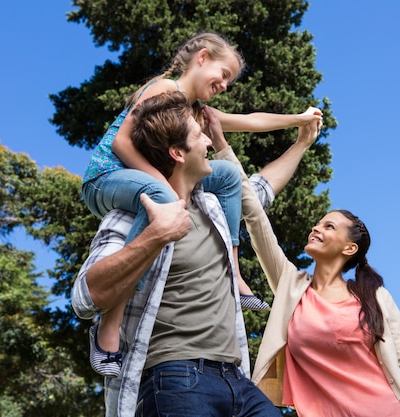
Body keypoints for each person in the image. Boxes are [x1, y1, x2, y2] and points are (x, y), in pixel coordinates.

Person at [81, 30, 323, 377]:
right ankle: (109, 324)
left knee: (224, 174)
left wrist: (299, 120)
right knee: (165, 199)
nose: (225, 84)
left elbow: (251, 121)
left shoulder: (196, 111)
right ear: (203, 57)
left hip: (147, 180)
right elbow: (121, 142)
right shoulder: (164, 90)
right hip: (107, 176)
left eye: (230, 81)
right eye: (224, 75)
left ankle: (233, 273)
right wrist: (165, 189)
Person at [220, 122, 400, 416]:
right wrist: (221, 144)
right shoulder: (292, 287)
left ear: (349, 248)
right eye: (318, 223)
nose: (316, 227)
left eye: (329, 226)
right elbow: (255, 216)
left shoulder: (374, 297)